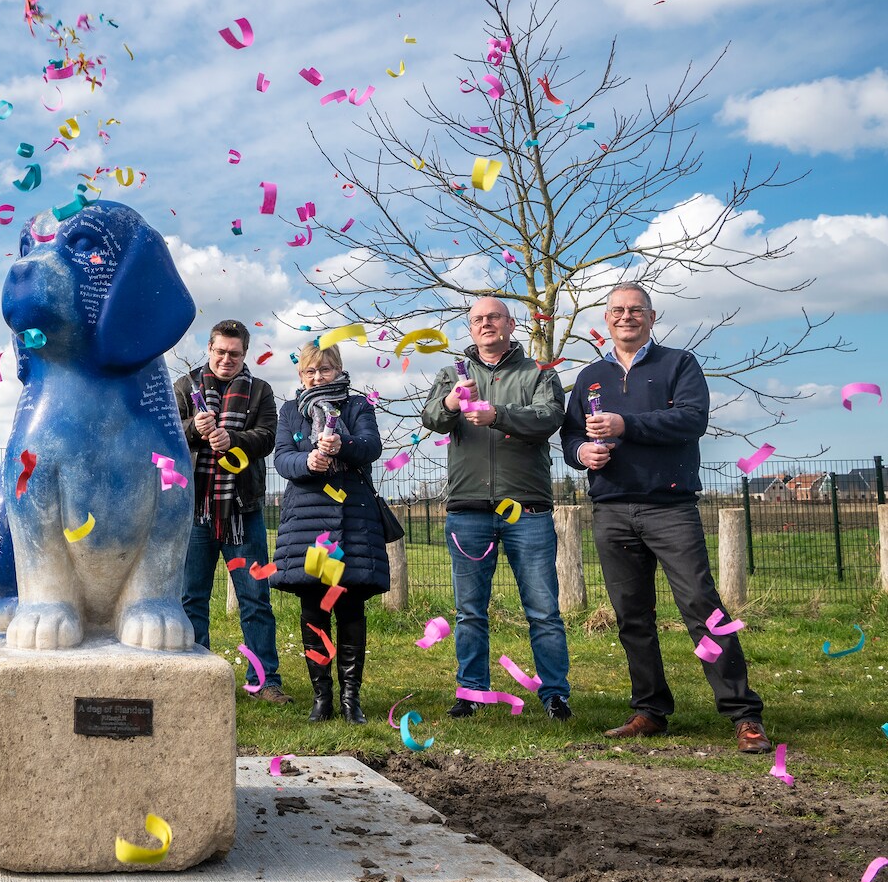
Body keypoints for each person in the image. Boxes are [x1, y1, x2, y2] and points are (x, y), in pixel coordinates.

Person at [561, 283, 770, 752]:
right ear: (607, 318)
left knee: (702, 607)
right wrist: (582, 452)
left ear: (652, 318)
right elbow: (570, 435)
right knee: (632, 615)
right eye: (617, 310)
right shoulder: (591, 375)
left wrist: (625, 425)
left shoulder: (679, 364)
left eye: (636, 310)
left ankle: (743, 714)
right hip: (611, 507)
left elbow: (693, 420)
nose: (626, 317)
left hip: (669, 506)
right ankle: (650, 710)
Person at [421, 296, 573, 721]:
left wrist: (499, 415)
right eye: (477, 320)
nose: (486, 324)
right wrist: (452, 402)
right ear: (470, 330)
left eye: (494, 317)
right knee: (469, 610)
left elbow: (549, 417)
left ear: (510, 324)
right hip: (468, 509)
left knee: (543, 609)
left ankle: (555, 695)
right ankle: (471, 691)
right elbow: (431, 418)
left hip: (527, 508)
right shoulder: (452, 374)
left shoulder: (539, 372)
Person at [271, 342, 388, 721]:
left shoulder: (357, 407)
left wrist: (343, 444)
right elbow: (282, 458)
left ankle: (351, 699)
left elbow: (371, 447)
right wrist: (308, 459)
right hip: (308, 521)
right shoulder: (291, 411)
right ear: (301, 375)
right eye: (310, 371)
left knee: (351, 607)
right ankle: (321, 697)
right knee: (314, 611)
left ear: (339, 370)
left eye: (325, 369)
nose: (318, 377)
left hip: (352, 519)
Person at [173, 320, 287, 704]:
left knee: (255, 597)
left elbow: (268, 437)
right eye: (220, 352)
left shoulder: (260, 391)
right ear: (209, 348)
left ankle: (265, 681)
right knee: (192, 597)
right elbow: (163, 431)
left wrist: (232, 438)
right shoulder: (185, 387)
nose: (226, 359)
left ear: (244, 355)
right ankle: (196, 676)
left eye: (234, 354)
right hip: (195, 510)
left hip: (243, 510)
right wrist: (192, 429)